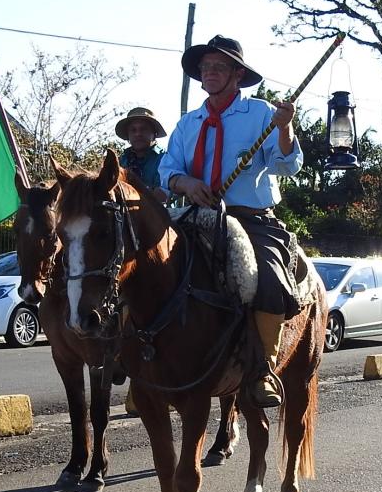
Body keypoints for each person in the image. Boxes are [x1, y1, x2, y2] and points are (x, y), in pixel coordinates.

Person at [158, 35, 301, 409]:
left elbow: (287, 164)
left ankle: (264, 370)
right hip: (193, 217)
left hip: (250, 220)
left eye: (219, 67)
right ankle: (144, 367)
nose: (209, 74)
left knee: (269, 281)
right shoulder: (189, 123)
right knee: (143, 268)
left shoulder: (262, 114)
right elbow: (167, 169)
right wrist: (185, 182)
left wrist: (285, 128)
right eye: (205, 68)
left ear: (238, 73)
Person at [115, 107, 169, 204]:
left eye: (143, 129)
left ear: (154, 133)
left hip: (162, 215)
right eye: (133, 130)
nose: (138, 134)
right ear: (128, 135)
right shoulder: (121, 161)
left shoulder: (165, 159)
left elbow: (162, 195)